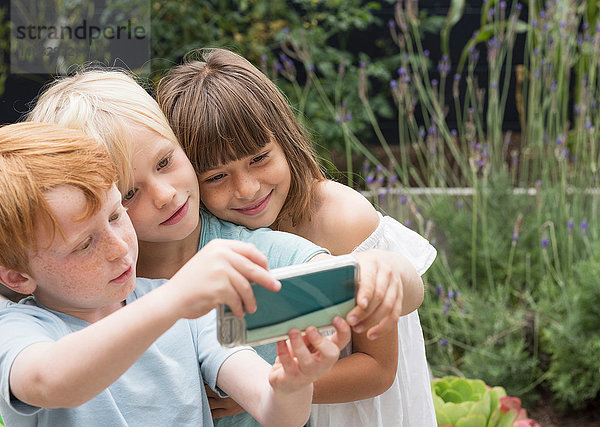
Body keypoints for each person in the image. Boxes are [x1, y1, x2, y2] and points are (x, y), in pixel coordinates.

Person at [26, 69, 426, 425]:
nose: (164, 195)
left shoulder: (257, 255)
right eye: (129, 192)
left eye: (165, 162)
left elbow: (375, 297)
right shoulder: (86, 290)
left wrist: (383, 266)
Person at [0, 121, 352, 426]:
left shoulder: (184, 312)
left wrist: (292, 385)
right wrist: (174, 299)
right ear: (16, 277)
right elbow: (48, 381)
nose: (119, 247)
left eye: (114, 216)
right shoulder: (18, 331)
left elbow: (277, 413)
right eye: (83, 245)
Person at [156, 47, 438, 427]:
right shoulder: (209, 236)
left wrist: (258, 394)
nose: (247, 188)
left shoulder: (340, 219)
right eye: (217, 177)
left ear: (285, 140)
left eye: (259, 158)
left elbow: (378, 369)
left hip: (350, 409)